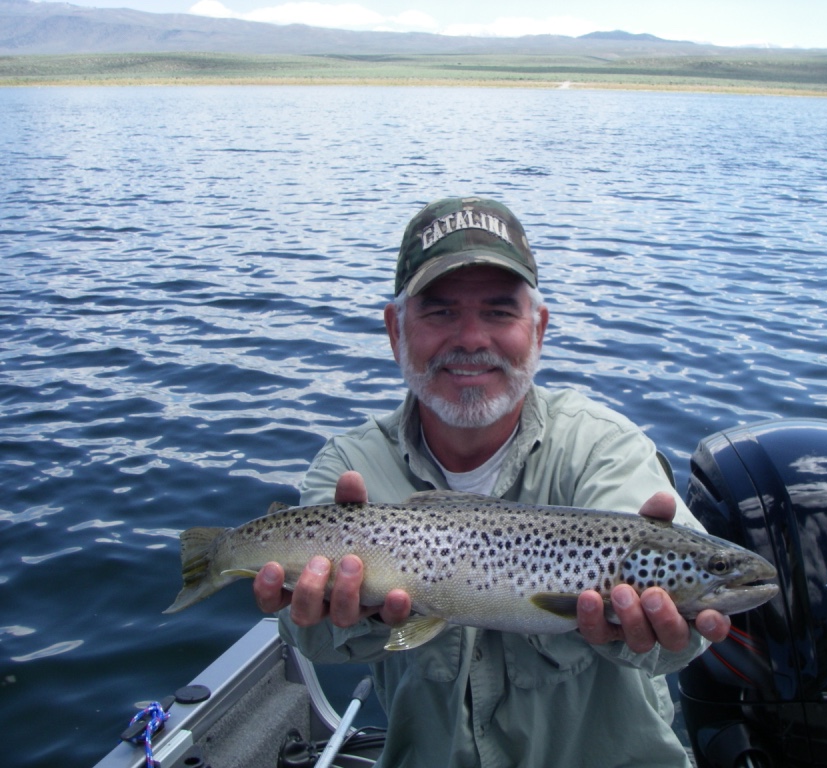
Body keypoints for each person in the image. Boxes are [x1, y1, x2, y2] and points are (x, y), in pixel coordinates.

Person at [254, 196, 730, 767]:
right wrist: (327, 620)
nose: (472, 339)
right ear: (394, 331)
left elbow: (690, 623)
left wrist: (666, 627)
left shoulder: (604, 446)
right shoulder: (348, 466)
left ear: (539, 328)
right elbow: (307, 635)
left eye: (500, 312)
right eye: (440, 313)